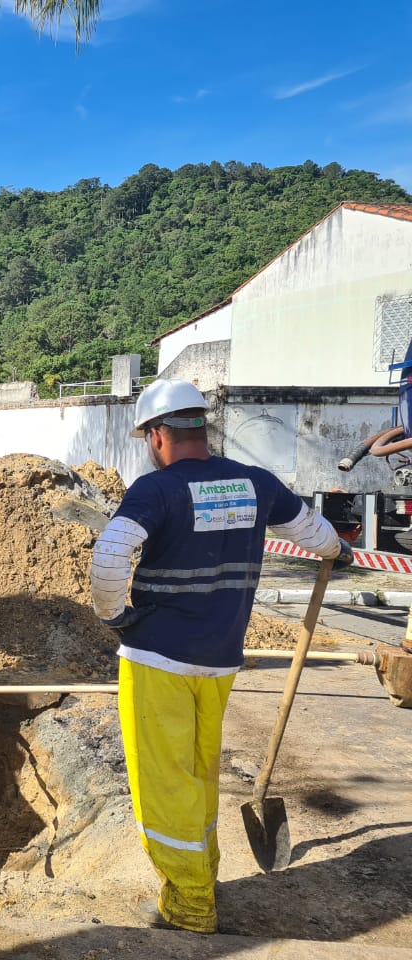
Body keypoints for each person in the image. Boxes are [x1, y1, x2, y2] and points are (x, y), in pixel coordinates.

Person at [89, 380, 351, 935]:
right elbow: (314, 533)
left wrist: (114, 616)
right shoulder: (254, 483)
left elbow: (110, 556)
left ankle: (188, 906)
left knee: (164, 781)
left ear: (158, 435)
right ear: (200, 428)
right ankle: (201, 877)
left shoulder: (156, 489)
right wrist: (338, 551)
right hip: (221, 659)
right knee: (200, 771)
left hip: (157, 658)